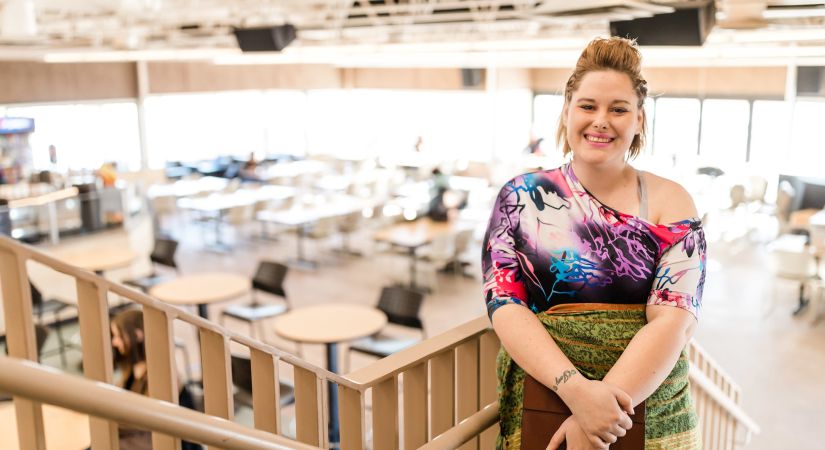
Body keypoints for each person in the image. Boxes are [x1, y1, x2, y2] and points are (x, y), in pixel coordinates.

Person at [482, 37, 705, 450]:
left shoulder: (672, 201)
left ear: (639, 120)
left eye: (618, 109)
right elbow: (504, 302)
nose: (601, 120)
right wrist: (578, 393)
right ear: (567, 112)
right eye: (588, 106)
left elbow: (675, 319)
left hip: (649, 411)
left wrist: (599, 417)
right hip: (548, 399)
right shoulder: (521, 197)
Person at [109, 309, 202, 450]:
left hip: (160, 436)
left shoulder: (162, 373)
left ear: (138, 335)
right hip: (139, 432)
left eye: (119, 336)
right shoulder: (132, 364)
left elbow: (145, 419)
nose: (114, 342)